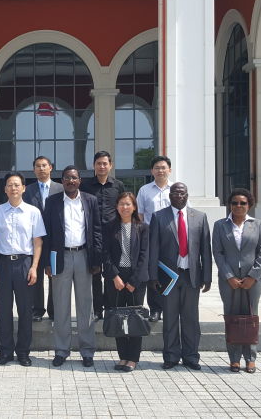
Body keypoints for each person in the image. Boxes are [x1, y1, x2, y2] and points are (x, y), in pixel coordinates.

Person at [41, 166, 102, 368]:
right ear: (62, 180)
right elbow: (46, 235)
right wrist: (47, 263)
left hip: (84, 256)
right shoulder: (52, 202)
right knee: (61, 306)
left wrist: (96, 260)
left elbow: (96, 231)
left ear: (79, 180)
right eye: (67, 178)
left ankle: (87, 351)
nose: (71, 181)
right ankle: (61, 350)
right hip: (61, 257)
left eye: (74, 178)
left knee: (86, 306)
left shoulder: (90, 201)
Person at [148, 182, 212, 370]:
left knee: (191, 318)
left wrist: (206, 277)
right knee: (170, 318)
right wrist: (153, 276)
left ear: (187, 195)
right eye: (175, 192)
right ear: (170, 195)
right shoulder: (159, 217)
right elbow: (154, 250)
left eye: (182, 192)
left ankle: (191, 356)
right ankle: (171, 356)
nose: (179, 195)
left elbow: (205, 251)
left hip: (191, 276)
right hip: (168, 278)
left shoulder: (200, 217)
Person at [0, 172, 46, 367]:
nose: (13, 188)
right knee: (4, 311)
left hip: (24, 264)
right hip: (3, 264)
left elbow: (37, 242)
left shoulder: (33, 212)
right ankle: (5, 352)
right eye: (10, 185)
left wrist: (34, 267)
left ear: (23, 188)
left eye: (17, 185)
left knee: (25, 311)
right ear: (5, 189)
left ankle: (23, 352)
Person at [212, 188, 261, 374]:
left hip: (253, 281)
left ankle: (250, 358)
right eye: (234, 202)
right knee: (232, 317)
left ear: (249, 205)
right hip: (229, 282)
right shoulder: (220, 225)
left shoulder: (258, 225)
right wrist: (229, 277)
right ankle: (234, 358)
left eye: (243, 203)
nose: (238, 206)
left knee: (251, 317)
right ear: (230, 205)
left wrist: (253, 276)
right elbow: (218, 253)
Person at [103, 192, 149, 372]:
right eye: (121, 204)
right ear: (117, 206)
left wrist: (134, 280)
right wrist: (114, 276)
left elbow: (144, 256)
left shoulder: (142, 227)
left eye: (128, 204)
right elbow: (105, 254)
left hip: (135, 278)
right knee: (118, 317)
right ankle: (122, 356)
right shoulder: (110, 227)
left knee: (135, 318)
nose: (125, 207)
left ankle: (133, 358)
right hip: (116, 278)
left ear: (134, 207)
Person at [80, 150, 125, 320]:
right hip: (93, 236)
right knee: (95, 274)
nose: (102, 166)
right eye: (98, 163)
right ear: (93, 166)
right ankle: (97, 309)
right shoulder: (85, 186)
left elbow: (123, 207)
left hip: (114, 236)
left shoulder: (118, 185)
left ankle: (111, 307)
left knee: (112, 272)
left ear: (110, 165)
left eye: (105, 163)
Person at [24, 156, 63, 322]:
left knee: (54, 274)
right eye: (38, 166)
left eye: (44, 165)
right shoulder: (28, 190)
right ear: (34, 169)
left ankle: (54, 310)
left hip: (55, 238)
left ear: (51, 168)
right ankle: (37, 309)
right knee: (36, 274)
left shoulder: (61, 188)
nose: (41, 169)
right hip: (35, 239)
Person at [136, 155, 173, 322]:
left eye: (163, 167)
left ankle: (170, 307)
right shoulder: (145, 190)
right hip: (151, 236)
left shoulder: (176, 189)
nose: (160, 170)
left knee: (171, 272)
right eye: (157, 168)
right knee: (153, 272)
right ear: (152, 171)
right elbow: (140, 215)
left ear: (169, 170)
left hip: (171, 237)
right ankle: (155, 309)